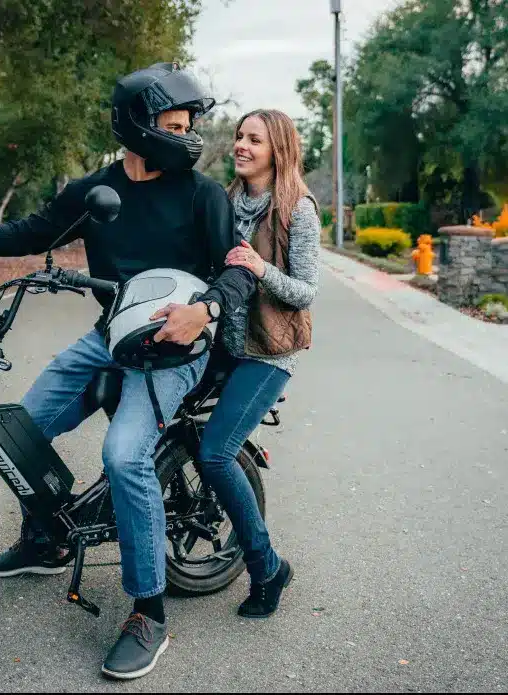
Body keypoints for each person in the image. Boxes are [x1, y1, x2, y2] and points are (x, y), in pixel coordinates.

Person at [0, 63, 257, 680]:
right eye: (173, 124)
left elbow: (235, 270)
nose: (186, 135)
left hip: (179, 346)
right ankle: (46, 538)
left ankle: (148, 610)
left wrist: (204, 310)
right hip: (111, 335)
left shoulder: (201, 193)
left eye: (189, 124)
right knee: (22, 426)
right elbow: (34, 231)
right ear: (138, 127)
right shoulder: (95, 189)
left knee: (125, 455)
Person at [197, 109, 321, 619]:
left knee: (216, 454)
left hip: (269, 353)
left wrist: (260, 266)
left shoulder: (299, 211)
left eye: (255, 140)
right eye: (239, 137)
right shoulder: (226, 200)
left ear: (278, 150)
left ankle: (267, 568)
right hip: (222, 342)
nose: (241, 146)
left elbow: (305, 291)